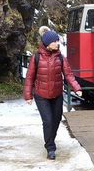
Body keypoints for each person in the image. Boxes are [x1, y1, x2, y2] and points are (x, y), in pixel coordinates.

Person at [24, 30, 82, 160]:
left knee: (56, 121)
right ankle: (50, 147)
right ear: (47, 43)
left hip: (57, 95)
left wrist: (76, 87)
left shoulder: (60, 57)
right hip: (41, 95)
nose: (57, 43)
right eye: (55, 41)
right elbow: (29, 77)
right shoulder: (36, 57)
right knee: (48, 121)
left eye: (57, 41)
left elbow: (68, 75)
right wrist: (28, 95)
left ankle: (50, 139)